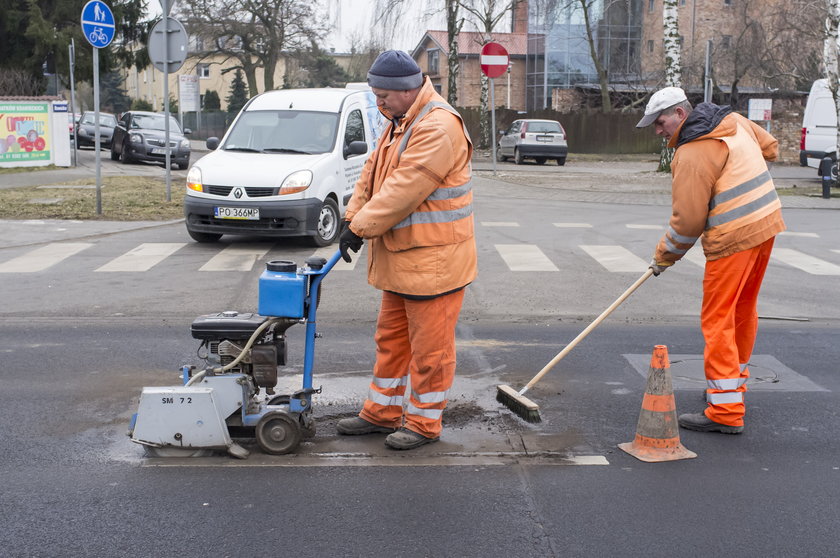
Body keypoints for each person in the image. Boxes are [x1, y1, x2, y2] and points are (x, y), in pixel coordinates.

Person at [335, 50, 476, 450]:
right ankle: (381, 413)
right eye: (374, 97)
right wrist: (351, 216)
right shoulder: (400, 120)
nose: (377, 105)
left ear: (407, 90)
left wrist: (361, 228)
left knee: (431, 352)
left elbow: (404, 189)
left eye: (383, 97)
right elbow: (371, 173)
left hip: (435, 264)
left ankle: (422, 423)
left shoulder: (438, 126)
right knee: (391, 341)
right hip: (403, 260)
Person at [636, 86, 786, 434]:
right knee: (742, 311)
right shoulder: (732, 120)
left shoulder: (691, 152)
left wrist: (663, 257)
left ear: (680, 114)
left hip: (733, 238)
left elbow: (687, 223)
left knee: (718, 320)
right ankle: (731, 388)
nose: (658, 131)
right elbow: (771, 147)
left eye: (660, 122)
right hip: (767, 224)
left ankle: (726, 412)